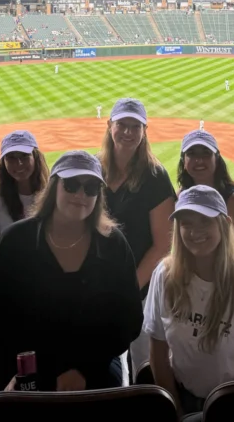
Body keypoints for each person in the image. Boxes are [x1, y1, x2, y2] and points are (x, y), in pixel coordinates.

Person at [0, 151, 142, 393]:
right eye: (71, 184)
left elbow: (129, 321)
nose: (81, 194)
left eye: (91, 187)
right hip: (22, 372)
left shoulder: (114, 244)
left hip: (94, 368)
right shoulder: (15, 240)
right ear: (53, 186)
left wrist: (84, 370)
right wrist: (14, 373)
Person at [144, 186, 234, 417]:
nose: (194, 231)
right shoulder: (164, 275)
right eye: (186, 223)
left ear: (224, 224)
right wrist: (177, 412)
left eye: (204, 221)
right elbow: (158, 351)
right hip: (182, 398)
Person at [100, 98, 176, 372]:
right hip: (100, 287)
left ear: (145, 130)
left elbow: (163, 244)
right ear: (110, 126)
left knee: (145, 367)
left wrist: (128, 288)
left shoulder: (154, 176)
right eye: (122, 124)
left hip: (142, 291)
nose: (128, 132)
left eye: (136, 126)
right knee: (100, 362)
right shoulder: (95, 169)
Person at [176, 130, 234, 262]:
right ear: (184, 161)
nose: (199, 160)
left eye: (206, 153)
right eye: (191, 153)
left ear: (217, 158)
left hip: (231, 277)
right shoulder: (180, 197)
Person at [0, 130, 48, 258]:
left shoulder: (51, 197)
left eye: (24, 156)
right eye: (11, 157)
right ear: (3, 162)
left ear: (35, 157)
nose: (19, 163)